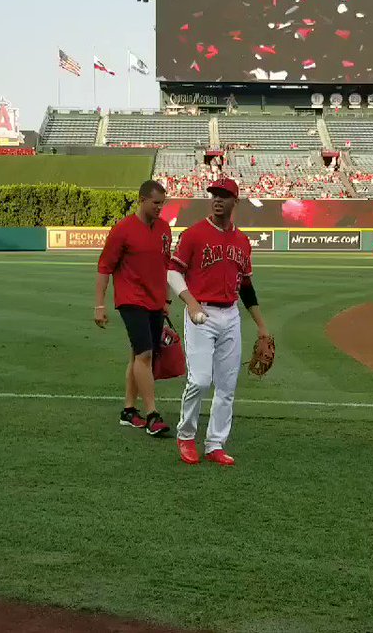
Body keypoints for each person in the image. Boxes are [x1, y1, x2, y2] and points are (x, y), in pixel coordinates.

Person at [167, 178, 270, 466]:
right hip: (202, 315)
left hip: (231, 315)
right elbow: (173, 273)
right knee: (200, 380)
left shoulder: (242, 241)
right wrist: (190, 302)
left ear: (235, 201)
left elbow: (246, 286)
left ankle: (215, 443)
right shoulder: (194, 235)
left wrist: (261, 326)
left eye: (224, 195)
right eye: (214, 194)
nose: (217, 199)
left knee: (227, 386)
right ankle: (186, 436)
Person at [94, 180, 173, 438]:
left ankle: (129, 411)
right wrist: (99, 305)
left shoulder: (163, 230)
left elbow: (165, 266)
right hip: (131, 299)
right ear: (141, 200)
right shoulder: (122, 230)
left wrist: (166, 301)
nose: (160, 208)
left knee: (137, 355)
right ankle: (152, 414)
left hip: (155, 300)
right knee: (145, 355)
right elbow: (105, 267)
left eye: (162, 203)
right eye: (155, 203)